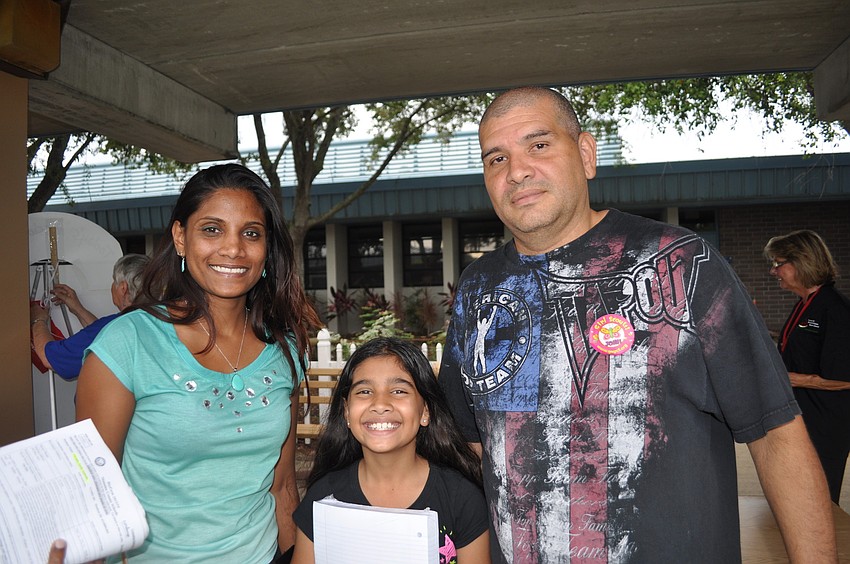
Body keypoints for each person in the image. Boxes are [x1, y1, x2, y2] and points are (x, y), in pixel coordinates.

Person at [438, 86, 837, 562]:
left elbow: (775, 435)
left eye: (538, 145)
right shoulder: (481, 289)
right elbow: (471, 447)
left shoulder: (682, 263)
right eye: (496, 159)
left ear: (586, 154)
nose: (517, 171)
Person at [76, 163, 320, 563]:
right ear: (180, 237)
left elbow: (282, 485)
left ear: (267, 248)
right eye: (212, 229)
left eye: (251, 233)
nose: (233, 249)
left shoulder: (284, 347)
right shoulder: (129, 343)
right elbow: (92, 497)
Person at [291, 337, 490, 564]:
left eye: (398, 391)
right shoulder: (324, 497)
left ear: (425, 411)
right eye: (365, 391)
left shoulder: (461, 499)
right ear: (346, 412)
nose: (380, 403)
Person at [765, 229, 850, 504]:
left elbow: (843, 378)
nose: (773, 271)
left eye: (779, 264)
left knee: (819, 503)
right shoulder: (804, 305)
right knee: (798, 499)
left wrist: (785, 378)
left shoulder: (834, 309)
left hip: (826, 426)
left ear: (802, 261)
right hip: (802, 421)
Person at [30, 254, 150, 379]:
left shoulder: (117, 326)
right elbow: (101, 338)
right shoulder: (155, 320)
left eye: (114, 281)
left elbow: (51, 359)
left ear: (123, 288)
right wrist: (78, 309)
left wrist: (38, 320)